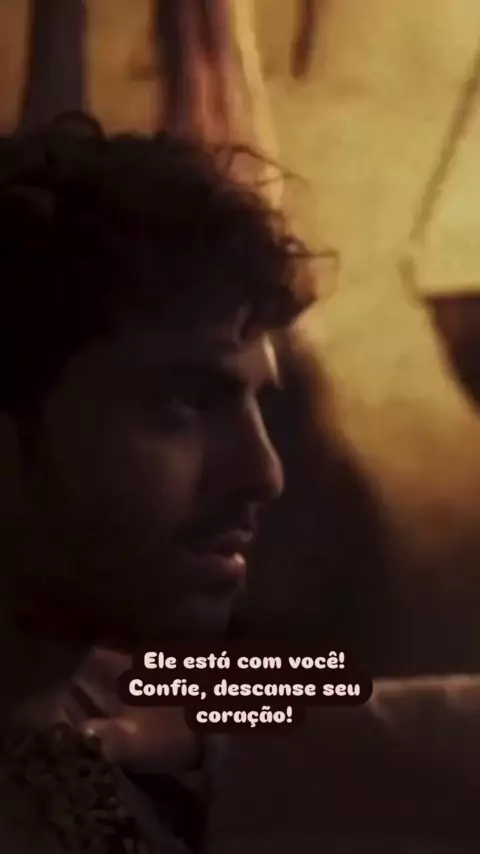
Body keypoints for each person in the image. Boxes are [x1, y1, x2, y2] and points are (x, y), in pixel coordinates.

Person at [0, 116, 315, 852]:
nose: (265, 475)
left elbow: (326, 690)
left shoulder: (102, 688)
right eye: (186, 402)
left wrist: (210, 728)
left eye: (258, 405)